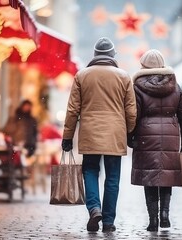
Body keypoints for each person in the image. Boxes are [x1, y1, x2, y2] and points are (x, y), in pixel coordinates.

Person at [61, 37, 137, 232]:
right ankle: (109, 221)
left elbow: (72, 110)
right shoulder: (123, 76)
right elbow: (131, 110)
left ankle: (94, 208)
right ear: (112, 56)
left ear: (95, 55)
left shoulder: (82, 76)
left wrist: (67, 136)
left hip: (90, 133)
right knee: (112, 177)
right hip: (114, 134)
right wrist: (130, 133)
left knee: (90, 171)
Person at [128, 49, 182, 231]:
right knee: (166, 176)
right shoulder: (176, 86)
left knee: (150, 177)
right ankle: (165, 214)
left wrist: (130, 137)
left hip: (146, 137)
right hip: (171, 137)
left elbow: (134, 116)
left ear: (143, 66)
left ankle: (153, 220)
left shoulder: (137, 88)